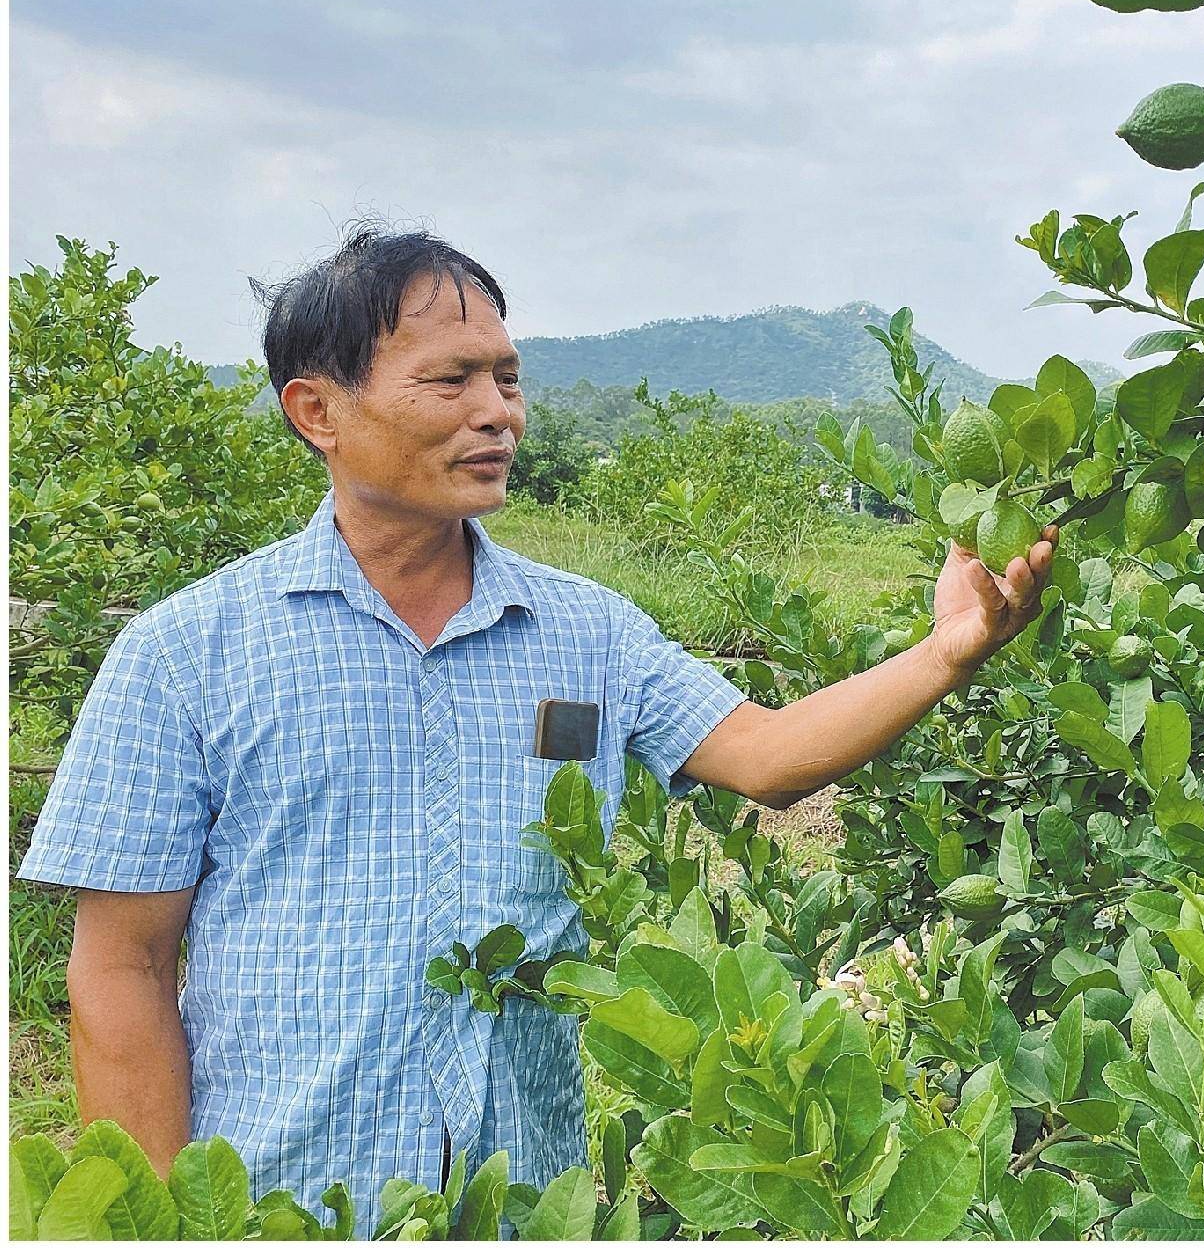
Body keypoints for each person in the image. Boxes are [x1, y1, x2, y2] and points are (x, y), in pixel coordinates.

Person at [17, 227, 1057, 1219]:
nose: (498, 413)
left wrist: (945, 654)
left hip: (525, 1204)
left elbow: (769, 756)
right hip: (281, 1202)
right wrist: (166, 1224)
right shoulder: (186, 651)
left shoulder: (588, 633)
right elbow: (124, 969)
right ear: (317, 410)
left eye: (507, 379)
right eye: (450, 380)